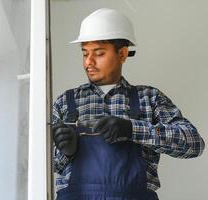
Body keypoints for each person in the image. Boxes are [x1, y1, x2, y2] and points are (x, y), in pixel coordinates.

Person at [52, 8, 205, 200]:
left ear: (122, 54)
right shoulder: (64, 102)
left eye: (98, 53)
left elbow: (193, 144)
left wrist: (132, 129)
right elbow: (43, 168)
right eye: (84, 53)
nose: (88, 62)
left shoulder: (149, 98)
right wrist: (66, 152)